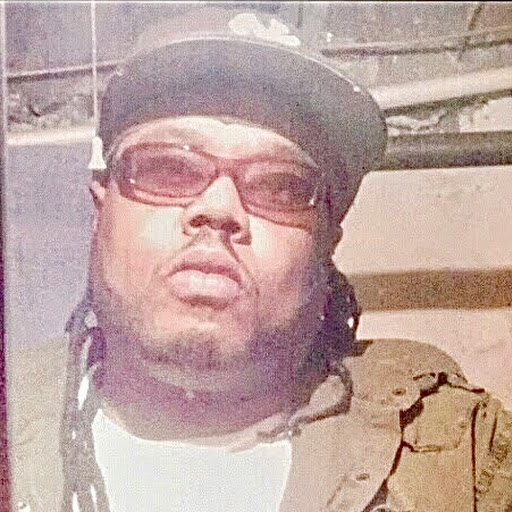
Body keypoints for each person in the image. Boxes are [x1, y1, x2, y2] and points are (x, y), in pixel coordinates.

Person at [7, 7, 512, 512]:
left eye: (281, 186)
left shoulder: (461, 459)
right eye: (169, 170)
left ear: (327, 241)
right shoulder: (13, 419)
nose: (219, 210)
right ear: (100, 208)